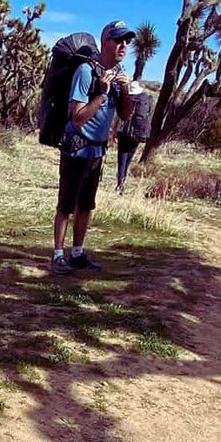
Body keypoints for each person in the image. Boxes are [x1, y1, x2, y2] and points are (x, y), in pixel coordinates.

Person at [51, 20, 135, 275]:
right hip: (76, 148)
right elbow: (76, 117)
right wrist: (102, 93)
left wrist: (126, 91)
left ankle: (77, 253)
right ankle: (57, 256)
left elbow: (125, 114)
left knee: (86, 204)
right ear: (105, 41)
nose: (123, 46)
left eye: (127, 41)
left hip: (97, 151)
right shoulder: (86, 72)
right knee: (66, 204)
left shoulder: (117, 72)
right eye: (118, 40)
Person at [115, 81, 152, 195]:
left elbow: (119, 116)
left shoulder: (126, 98)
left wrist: (114, 131)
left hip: (124, 132)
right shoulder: (145, 98)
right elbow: (149, 113)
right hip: (137, 132)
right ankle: (123, 179)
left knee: (122, 158)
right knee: (129, 157)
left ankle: (121, 183)